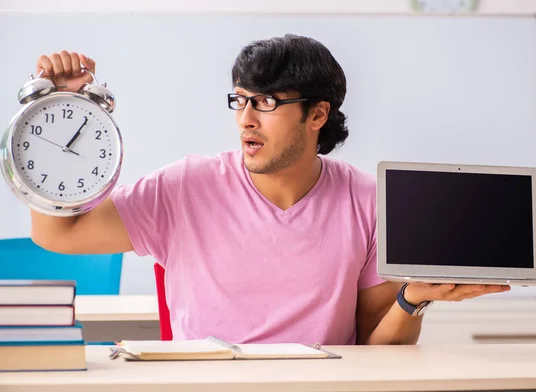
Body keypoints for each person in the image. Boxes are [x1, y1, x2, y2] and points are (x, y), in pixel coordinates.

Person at [31, 35, 509, 346]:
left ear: (317, 115)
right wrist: (62, 107)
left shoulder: (366, 201)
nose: (245, 119)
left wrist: (412, 299)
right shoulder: (185, 187)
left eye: (265, 102)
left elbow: (373, 346)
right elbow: (60, 236)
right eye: (240, 100)